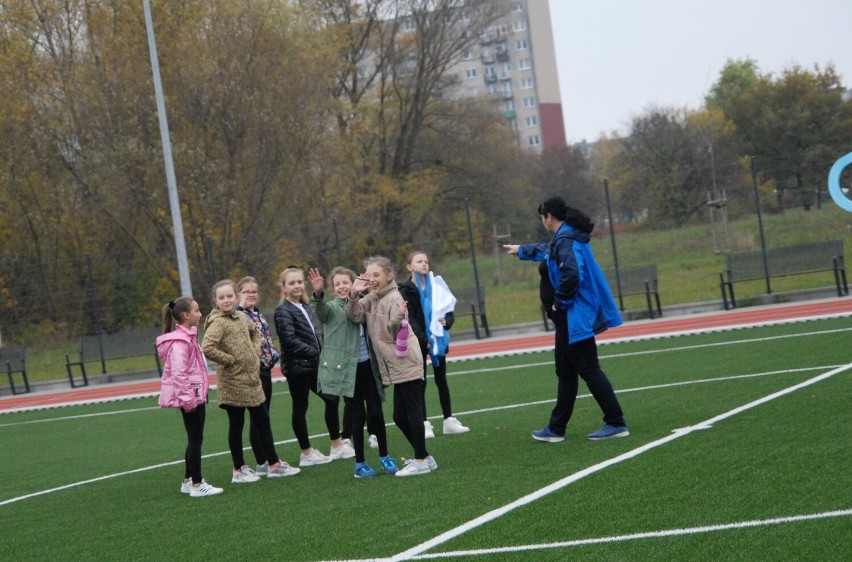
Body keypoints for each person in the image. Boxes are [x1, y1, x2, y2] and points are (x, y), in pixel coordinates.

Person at [504, 196, 629, 442]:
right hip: (568, 317)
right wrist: (522, 250)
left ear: (549, 217)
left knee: (589, 369)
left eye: (542, 217)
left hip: (573, 315)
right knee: (566, 371)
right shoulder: (565, 237)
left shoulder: (566, 239)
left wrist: (559, 303)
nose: (542, 222)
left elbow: (572, 274)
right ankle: (556, 428)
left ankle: (616, 422)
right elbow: (548, 251)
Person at [201, 279, 301, 483]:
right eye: (222, 297)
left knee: (262, 419)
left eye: (230, 296)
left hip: (251, 379)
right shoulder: (218, 322)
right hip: (232, 381)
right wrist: (230, 359)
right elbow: (208, 347)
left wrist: (255, 351)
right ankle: (239, 469)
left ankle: (273, 464)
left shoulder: (241, 316)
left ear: (236, 297)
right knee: (236, 423)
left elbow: (255, 333)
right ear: (215, 301)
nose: (227, 300)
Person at [346, 256, 436, 477]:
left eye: (377, 275)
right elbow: (355, 314)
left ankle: (421, 459)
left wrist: (397, 318)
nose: (373, 279)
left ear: (389, 276)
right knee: (398, 415)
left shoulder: (395, 296)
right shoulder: (372, 297)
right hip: (395, 365)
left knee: (412, 410)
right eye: (369, 275)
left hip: (405, 361)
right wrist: (354, 292)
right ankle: (424, 456)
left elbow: (394, 330)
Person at [308, 266, 399, 478]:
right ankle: (360, 463)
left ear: (354, 283)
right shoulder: (331, 308)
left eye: (345, 282)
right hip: (350, 370)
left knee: (376, 412)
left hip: (369, 365)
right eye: (337, 284)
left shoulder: (365, 303)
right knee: (358, 415)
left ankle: (385, 456)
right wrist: (318, 294)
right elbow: (320, 312)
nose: (341, 287)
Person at [274, 267, 353, 467]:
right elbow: (289, 340)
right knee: (300, 407)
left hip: (313, 365)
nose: (297, 286)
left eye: (299, 282)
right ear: (284, 287)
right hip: (297, 368)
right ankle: (306, 452)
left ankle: (336, 445)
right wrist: (316, 353)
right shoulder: (282, 310)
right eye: (292, 283)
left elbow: (313, 335)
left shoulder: (305, 305)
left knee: (332, 398)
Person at [156, 296, 223, 497]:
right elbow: (178, 374)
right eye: (197, 310)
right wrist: (188, 401)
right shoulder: (180, 343)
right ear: (186, 315)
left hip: (195, 396)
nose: (200, 314)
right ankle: (196, 484)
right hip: (191, 399)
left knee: (195, 437)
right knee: (195, 439)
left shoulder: (189, 337)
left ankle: (188, 480)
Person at [398, 251, 469, 438]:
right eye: (419, 261)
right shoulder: (405, 289)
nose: (424, 264)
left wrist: (448, 321)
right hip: (419, 341)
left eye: (426, 261)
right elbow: (410, 318)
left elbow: (448, 309)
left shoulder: (437, 284)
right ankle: (424, 423)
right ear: (409, 266)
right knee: (420, 382)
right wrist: (424, 339)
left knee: (441, 379)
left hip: (437, 339)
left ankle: (449, 420)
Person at [236, 276, 282, 476]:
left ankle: (264, 458)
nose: (251, 294)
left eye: (254, 291)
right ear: (239, 294)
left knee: (263, 416)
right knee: (258, 417)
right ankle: (262, 460)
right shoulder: (238, 315)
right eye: (247, 291)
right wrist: (239, 308)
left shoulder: (257, 314)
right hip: (252, 371)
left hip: (265, 369)